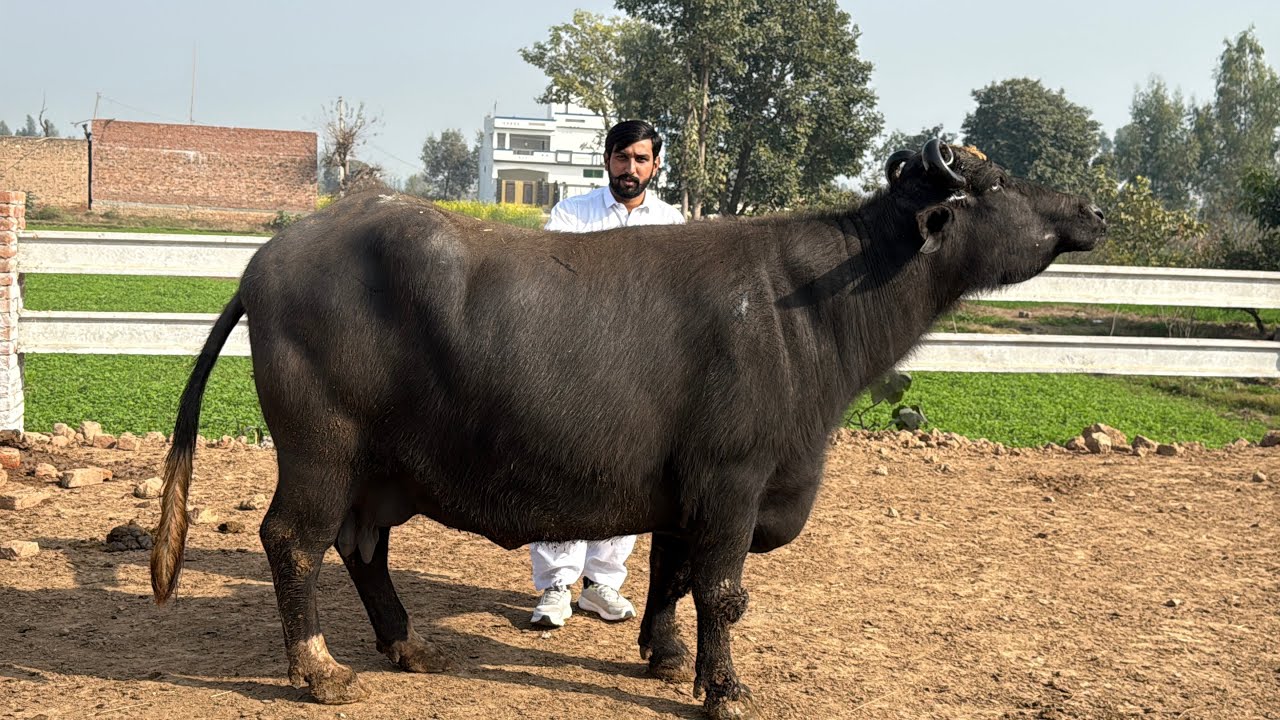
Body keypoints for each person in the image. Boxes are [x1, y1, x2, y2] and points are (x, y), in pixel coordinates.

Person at [530, 119, 685, 628]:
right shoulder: (572, 215)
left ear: (656, 165)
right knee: (562, 469)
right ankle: (555, 585)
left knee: (630, 475)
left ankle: (602, 584)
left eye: (641, 159)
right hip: (574, 366)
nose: (631, 168)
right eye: (622, 158)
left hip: (643, 376)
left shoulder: (671, 224)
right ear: (607, 160)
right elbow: (553, 285)